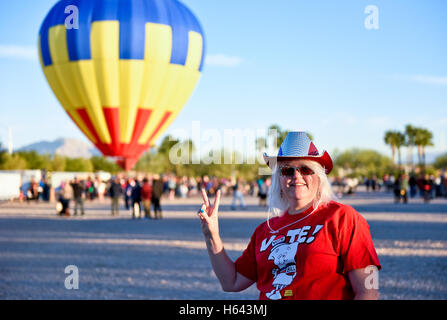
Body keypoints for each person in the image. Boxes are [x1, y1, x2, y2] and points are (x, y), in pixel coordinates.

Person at [197, 132, 381, 300]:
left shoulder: (343, 218)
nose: (296, 175)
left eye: (305, 169)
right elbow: (232, 281)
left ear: (319, 176)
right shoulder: (265, 230)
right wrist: (211, 235)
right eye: (287, 170)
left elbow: (368, 291)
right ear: (279, 179)